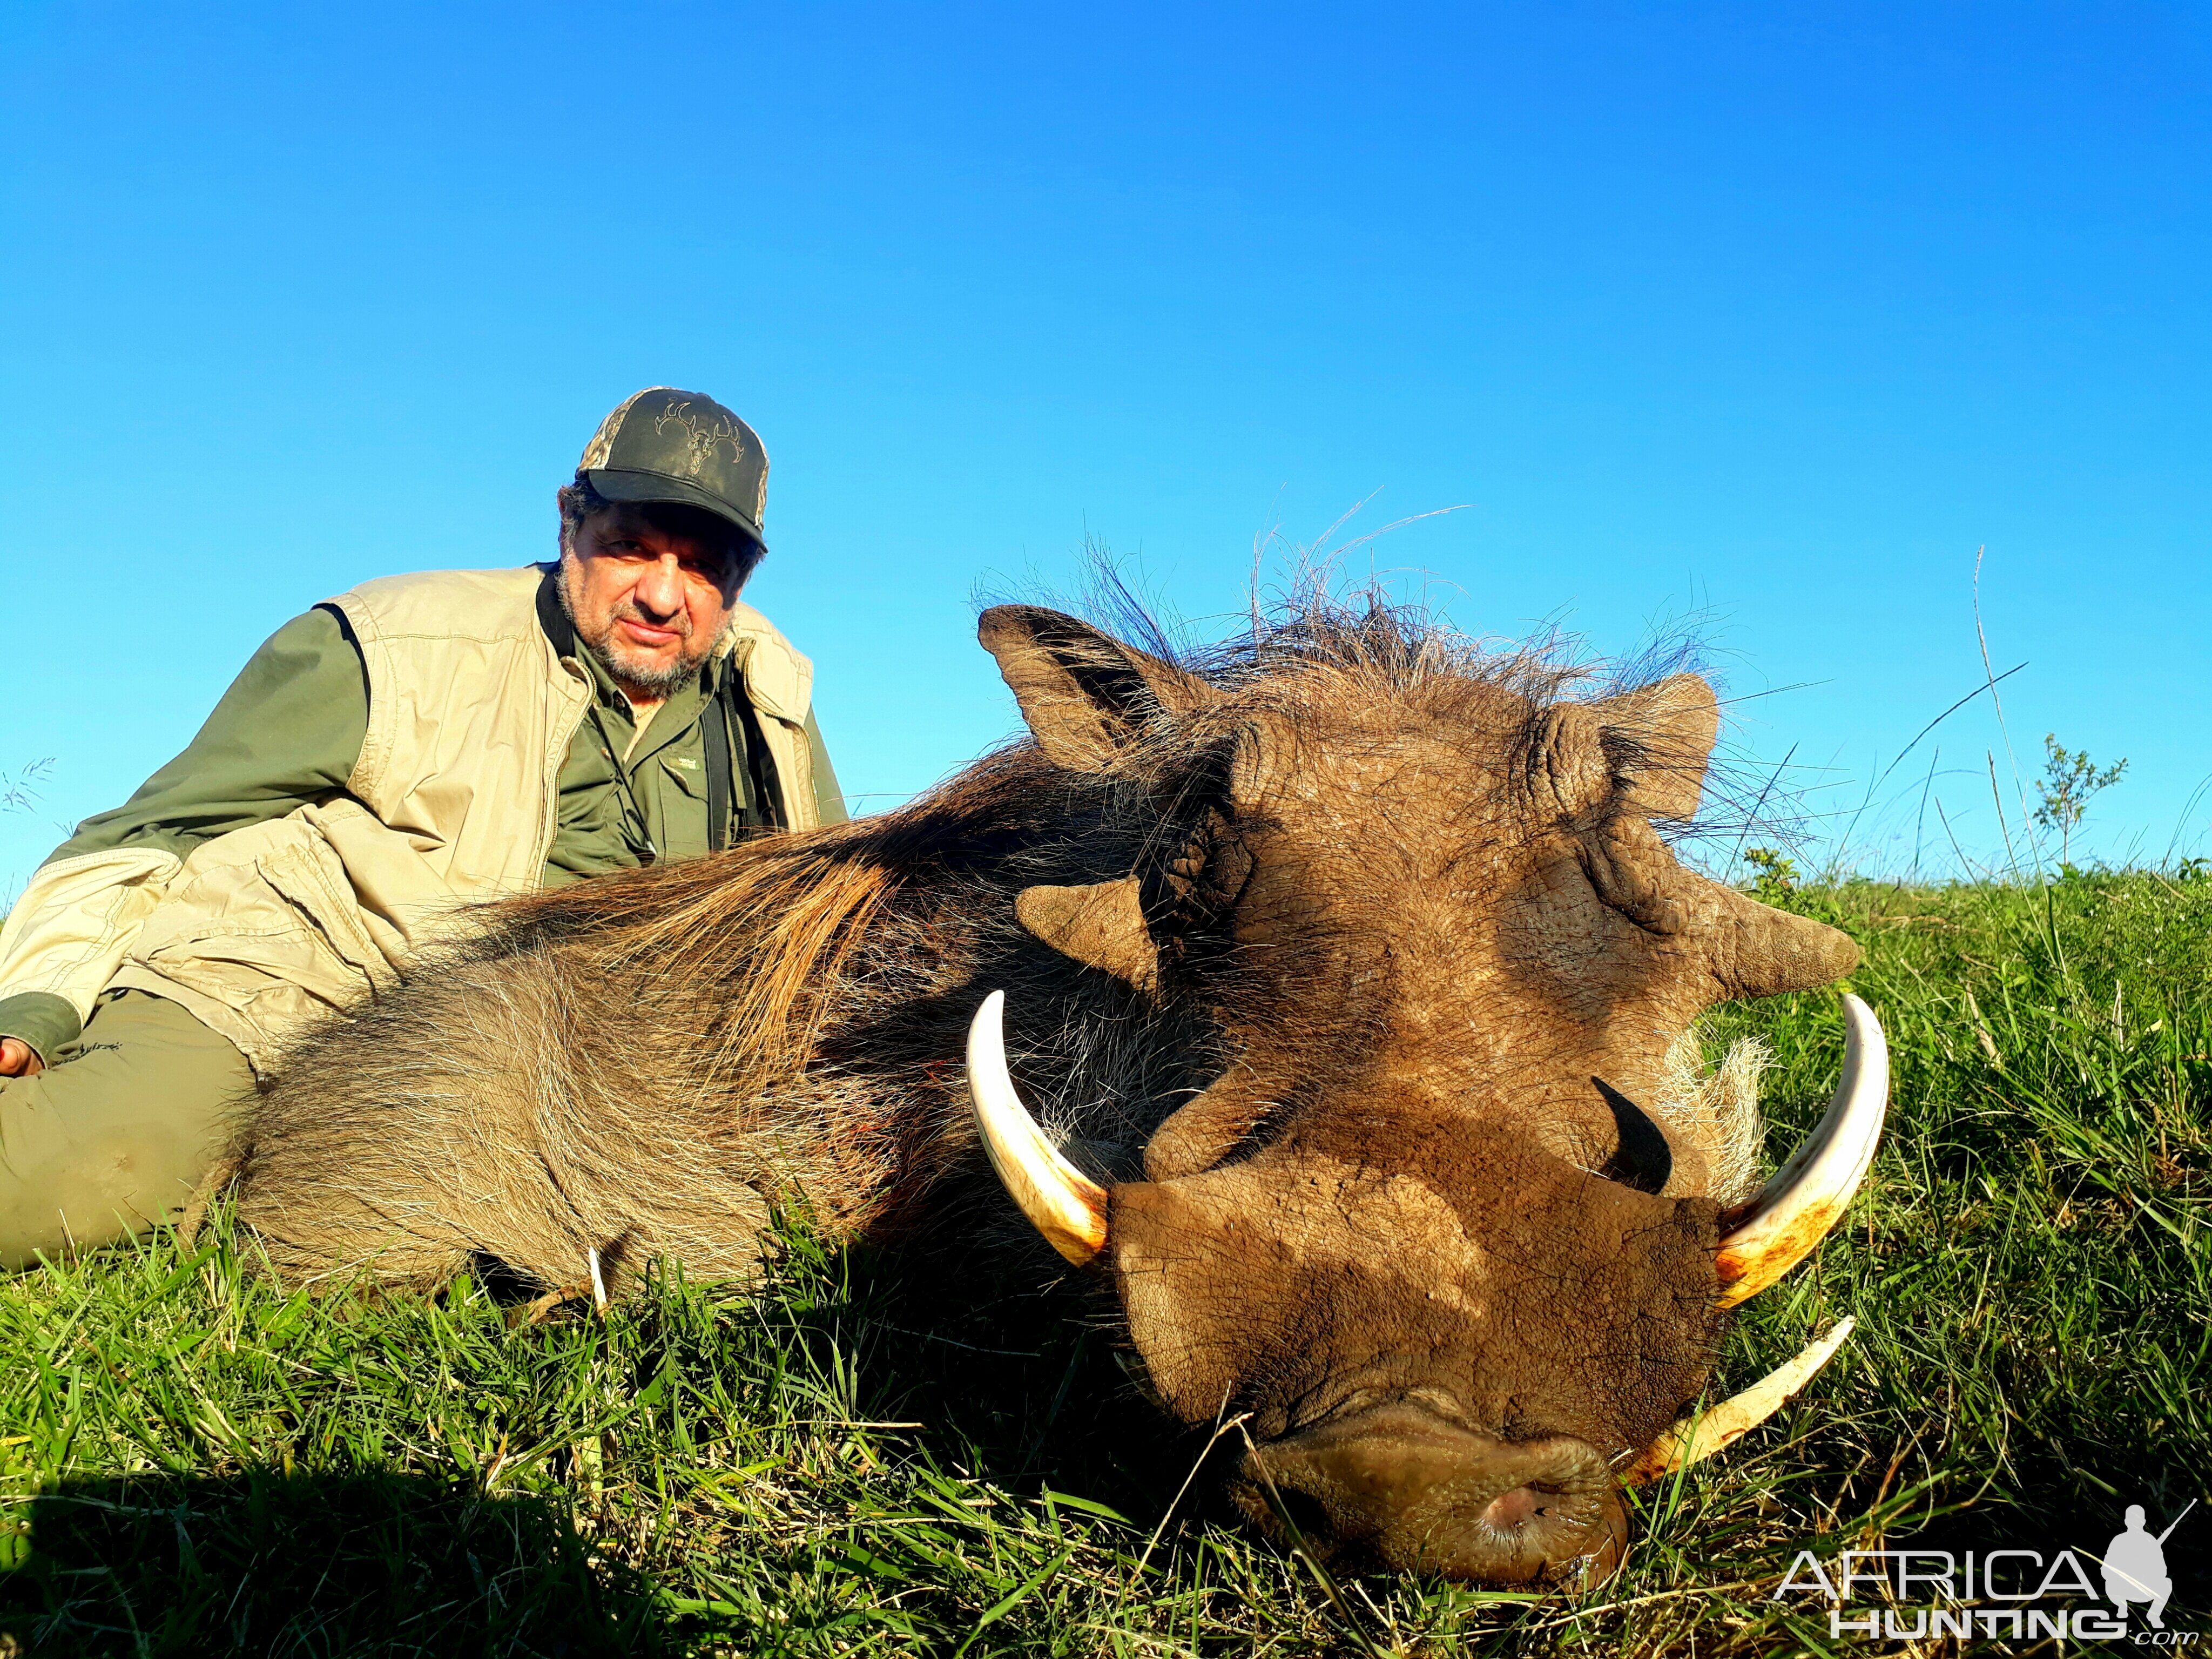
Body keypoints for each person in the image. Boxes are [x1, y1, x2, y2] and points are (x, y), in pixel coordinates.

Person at [0, 387, 846, 1267]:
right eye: (631, 545)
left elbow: (834, 919)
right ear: (570, 523)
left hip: (562, 1070)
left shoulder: (772, 701)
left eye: (703, 565)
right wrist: (36, 1004)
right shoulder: (390, 642)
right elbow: (152, 830)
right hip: (292, 992)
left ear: (739, 580)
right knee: (93, 1174)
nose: (663, 595)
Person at [2103, 1503, 2175, 1627]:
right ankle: (2122, 1607)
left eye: (2138, 1520)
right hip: (2122, 1589)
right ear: (2126, 1522)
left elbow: (2163, 1571)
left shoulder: (2151, 1541)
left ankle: (2154, 1615)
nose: (2135, 1524)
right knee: (2109, 1583)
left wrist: (2148, 1568)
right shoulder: (2119, 1541)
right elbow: (2105, 1570)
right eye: (2132, 1520)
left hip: (2146, 1589)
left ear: (2143, 1522)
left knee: (2167, 1583)